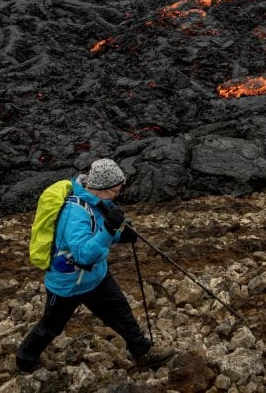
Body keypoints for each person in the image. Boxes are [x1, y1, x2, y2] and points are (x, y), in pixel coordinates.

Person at [16, 158, 177, 372]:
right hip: (69, 285)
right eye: (116, 190)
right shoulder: (75, 213)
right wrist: (110, 229)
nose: (118, 194)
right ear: (102, 188)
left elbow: (96, 235)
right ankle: (25, 360)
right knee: (50, 327)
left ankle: (143, 353)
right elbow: (83, 255)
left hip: (96, 278)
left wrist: (120, 236)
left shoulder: (96, 202)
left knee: (122, 314)